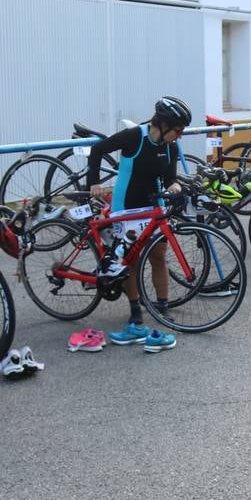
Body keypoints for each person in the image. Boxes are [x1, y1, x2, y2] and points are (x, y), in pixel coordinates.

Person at [87, 96, 191, 352]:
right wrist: (94, 183)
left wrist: (176, 188)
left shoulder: (171, 146)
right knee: (130, 262)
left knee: (158, 257)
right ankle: (135, 312)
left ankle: (162, 308)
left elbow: (170, 178)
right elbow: (98, 149)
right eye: (178, 130)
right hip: (127, 206)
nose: (180, 136)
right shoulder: (135, 136)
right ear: (164, 125)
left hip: (153, 207)